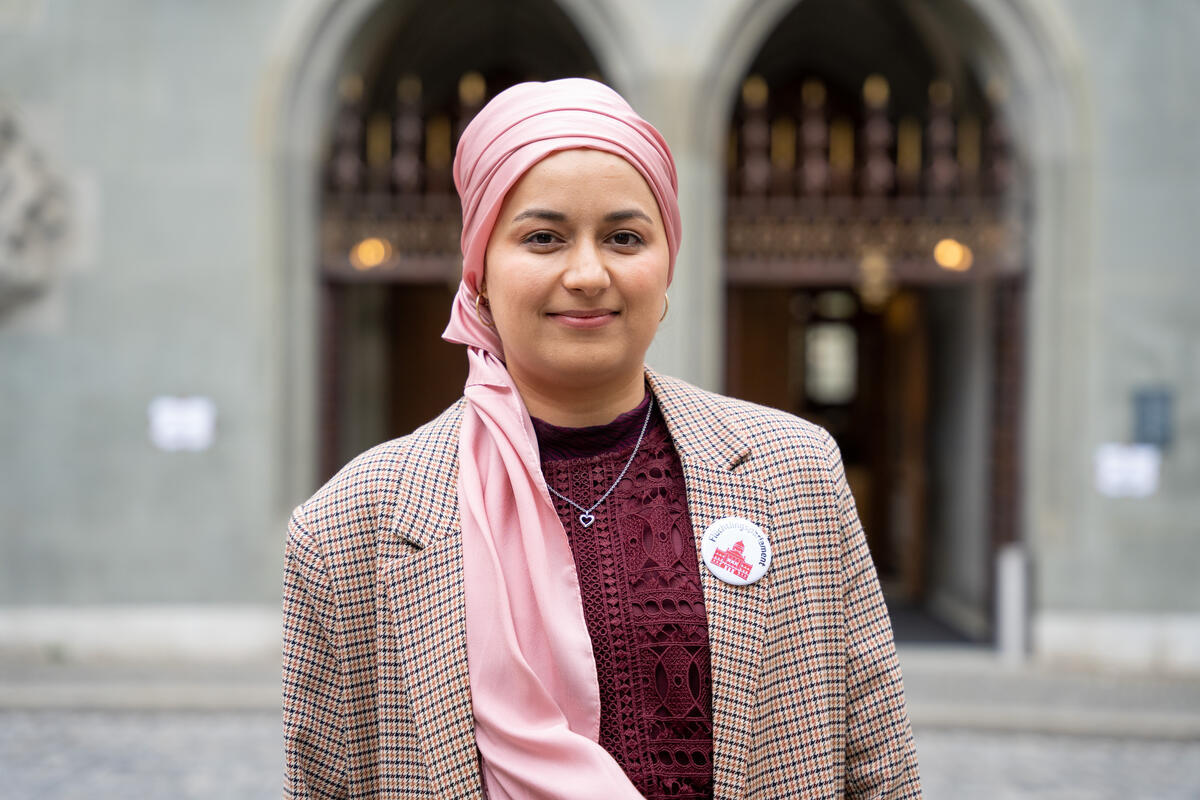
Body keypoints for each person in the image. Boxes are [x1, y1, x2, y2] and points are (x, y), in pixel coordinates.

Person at [283, 78, 921, 799]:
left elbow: (880, 769)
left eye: (624, 237)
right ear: (480, 273)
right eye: (543, 237)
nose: (587, 274)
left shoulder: (793, 474)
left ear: (667, 265)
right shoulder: (350, 526)